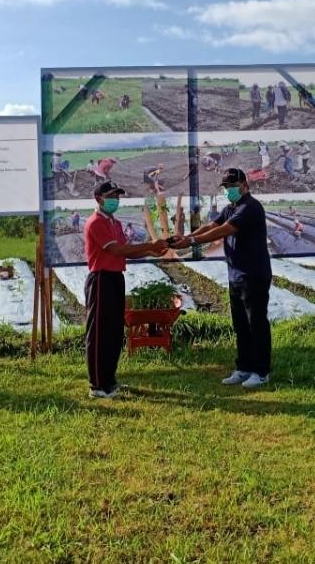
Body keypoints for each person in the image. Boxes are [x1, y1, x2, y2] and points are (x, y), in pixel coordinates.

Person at [169, 168, 272, 388]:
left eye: (233, 186)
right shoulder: (231, 207)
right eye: (226, 187)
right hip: (236, 275)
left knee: (257, 324)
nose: (229, 191)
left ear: (244, 185)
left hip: (253, 274)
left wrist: (192, 242)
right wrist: (187, 237)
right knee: (241, 325)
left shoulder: (250, 208)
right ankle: (243, 368)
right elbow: (212, 225)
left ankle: (261, 371)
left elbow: (223, 230)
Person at [83, 181, 168, 399]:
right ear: (98, 198)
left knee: (113, 331)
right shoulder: (96, 223)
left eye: (118, 196)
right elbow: (117, 249)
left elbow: (126, 252)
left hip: (115, 278)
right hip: (101, 280)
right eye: (111, 196)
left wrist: (152, 251)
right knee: (100, 332)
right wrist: (150, 245)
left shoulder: (115, 223)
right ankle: (98, 385)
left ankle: (109, 380)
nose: (116, 200)